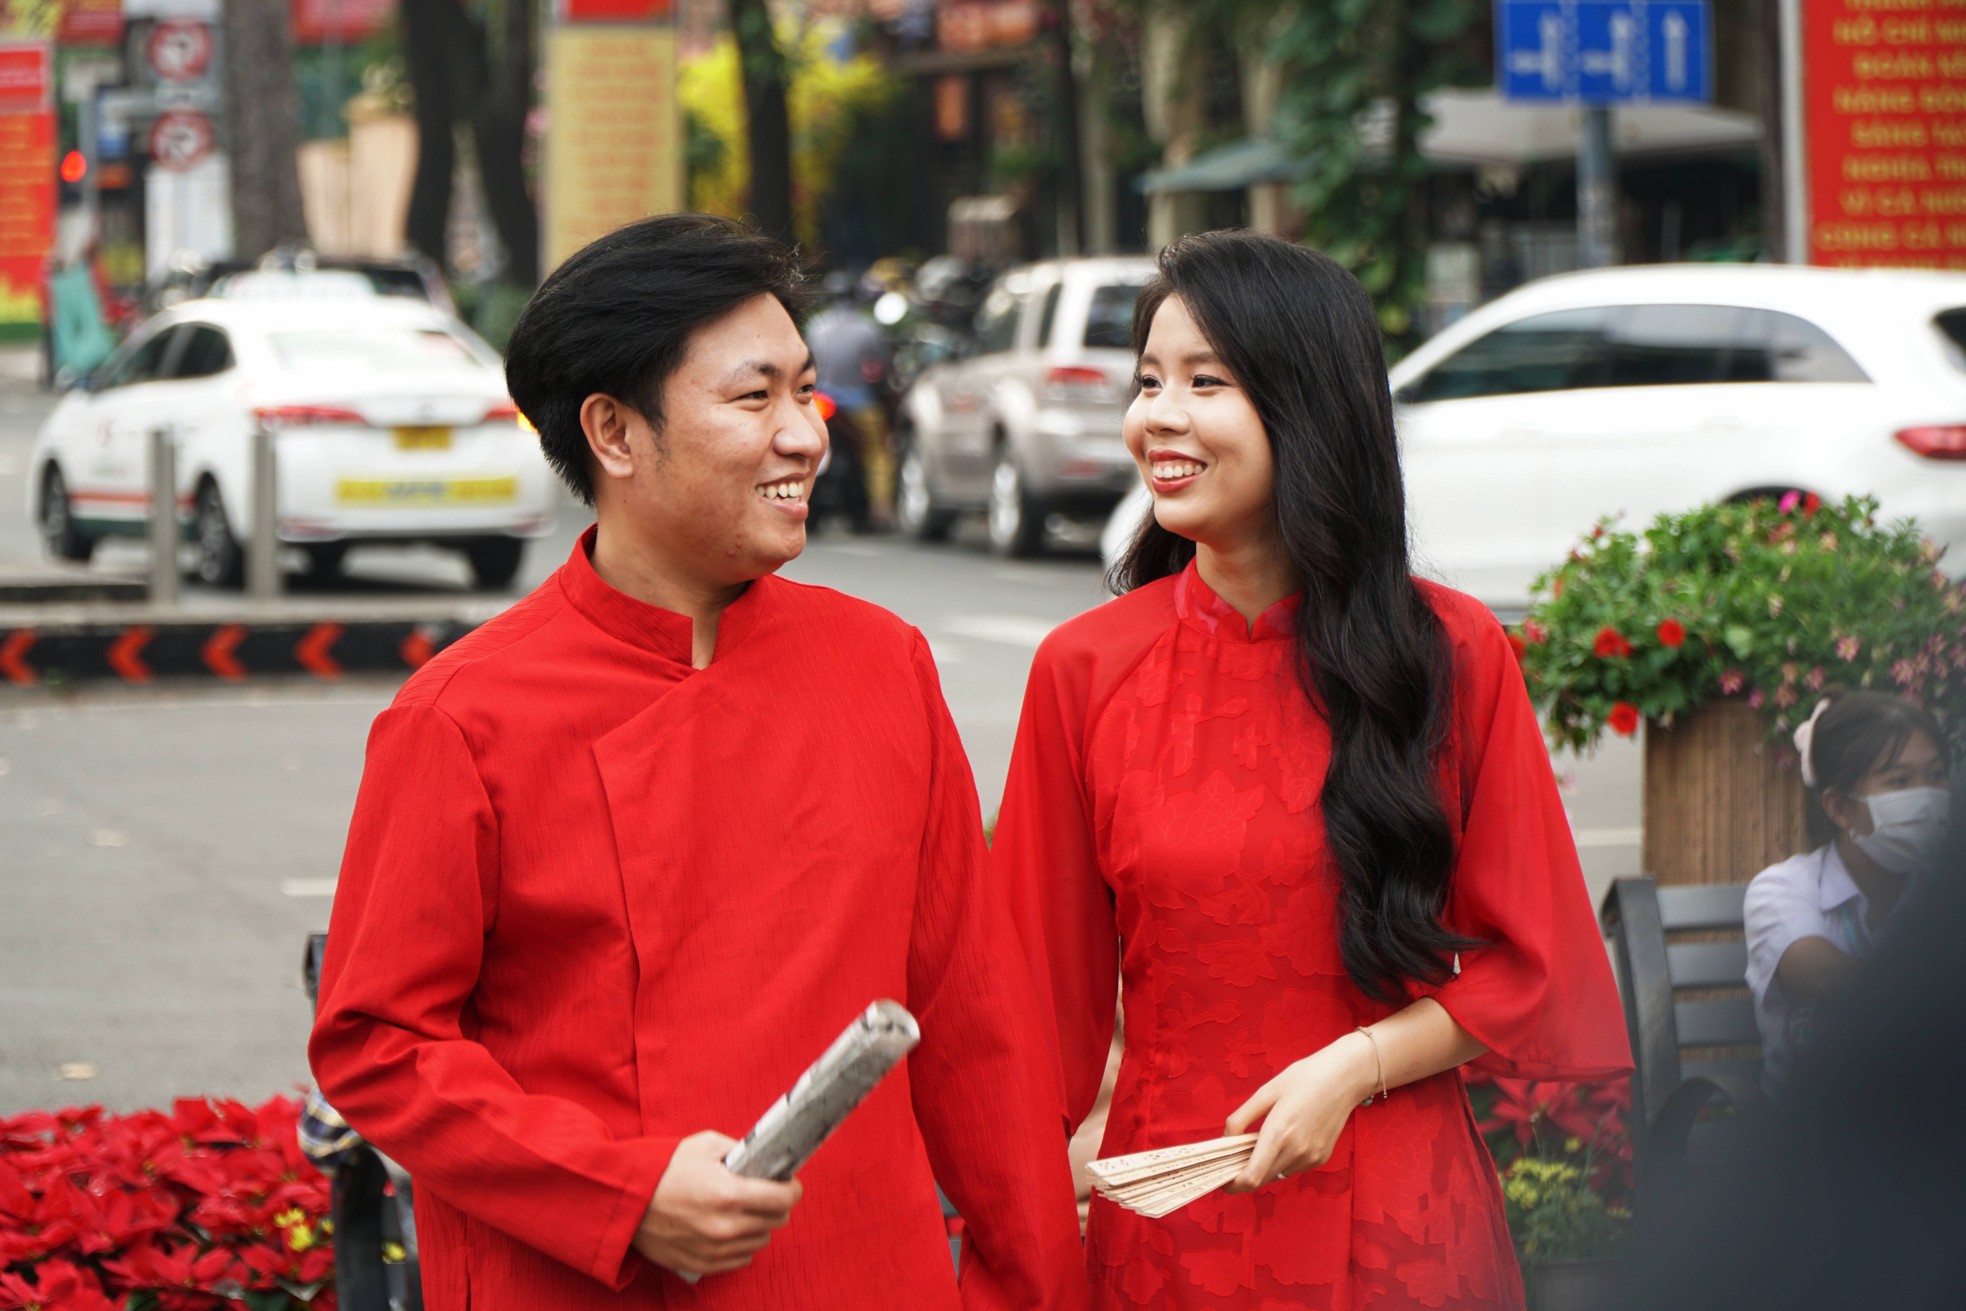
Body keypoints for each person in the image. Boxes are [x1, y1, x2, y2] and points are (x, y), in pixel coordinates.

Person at [309, 215, 1088, 1311]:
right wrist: (621, 1190)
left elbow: (978, 1028)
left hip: (860, 1275)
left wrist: (1033, 1285)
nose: (804, 434)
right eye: (752, 396)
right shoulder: (463, 718)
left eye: (804, 391)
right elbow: (380, 1044)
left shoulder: (881, 667)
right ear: (615, 435)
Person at [991, 230, 1631, 1310]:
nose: (1159, 415)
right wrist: (1016, 1204)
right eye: (1149, 381)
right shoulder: (1084, 672)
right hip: (1171, 1217)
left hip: (1399, 1216)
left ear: (1308, 408)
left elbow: (1531, 964)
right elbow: (1022, 1007)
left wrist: (1355, 1066)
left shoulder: (1450, 653)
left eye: (1207, 381)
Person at [1744, 690, 1951, 1096]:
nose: (1926, 797)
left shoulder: (1943, 886)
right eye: (1899, 781)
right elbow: (1816, 972)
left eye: (1937, 775)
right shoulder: (1783, 887)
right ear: (1839, 807)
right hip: (1815, 1140)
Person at [806, 271, 894, 525]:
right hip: (858, 402)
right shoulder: (867, 328)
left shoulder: (815, 326)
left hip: (820, 402)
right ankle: (882, 508)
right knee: (879, 453)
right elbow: (881, 366)